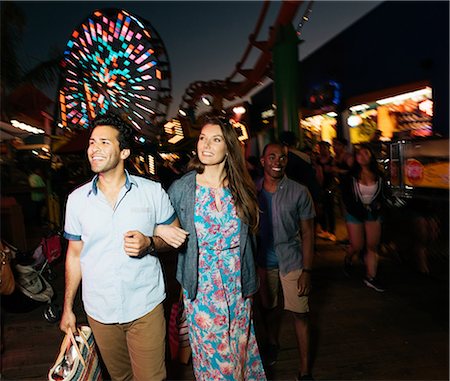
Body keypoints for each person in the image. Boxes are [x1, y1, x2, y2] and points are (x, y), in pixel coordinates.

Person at [59, 112, 187, 381]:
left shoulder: (151, 192)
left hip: (145, 306)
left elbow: (176, 236)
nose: (94, 148)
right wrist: (67, 308)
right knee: (120, 378)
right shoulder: (76, 200)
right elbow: (74, 254)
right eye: (92, 142)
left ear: (124, 151)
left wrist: (150, 243)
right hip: (99, 310)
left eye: (104, 142)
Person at [155, 115, 266, 380]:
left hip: (237, 284)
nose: (205, 145)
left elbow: (251, 240)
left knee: (239, 352)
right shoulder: (183, 187)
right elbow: (159, 225)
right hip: (202, 286)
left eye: (215, 139)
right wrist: (159, 230)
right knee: (215, 361)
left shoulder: (242, 187)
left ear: (228, 147)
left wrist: (252, 281)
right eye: (202, 138)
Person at [256, 143, 315, 381]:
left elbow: (308, 232)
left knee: (300, 314)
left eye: (282, 157)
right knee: (268, 308)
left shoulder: (299, 191)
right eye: (272, 156)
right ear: (263, 161)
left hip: (292, 261)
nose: (277, 161)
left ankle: (304, 370)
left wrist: (307, 270)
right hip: (263, 261)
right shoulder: (252, 190)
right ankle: (272, 341)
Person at [341, 143, 387, 292]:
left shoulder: (379, 175)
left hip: (373, 213)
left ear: (371, 155)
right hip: (355, 213)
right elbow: (346, 198)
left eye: (365, 153)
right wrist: (356, 209)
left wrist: (379, 205)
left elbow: (384, 195)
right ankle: (348, 258)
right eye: (359, 154)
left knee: (372, 246)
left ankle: (370, 277)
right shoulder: (350, 176)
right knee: (357, 245)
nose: (362, 156)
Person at [315, 141, 337, 241]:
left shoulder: (332, 160)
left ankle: (332, 231)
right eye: (321, 147)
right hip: (319, 187)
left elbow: (334, 174)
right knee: (321, 210)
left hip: (329, 187)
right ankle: (324, 230)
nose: (322, 149)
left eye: (324, 147)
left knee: (330, 210)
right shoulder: (317, 160)